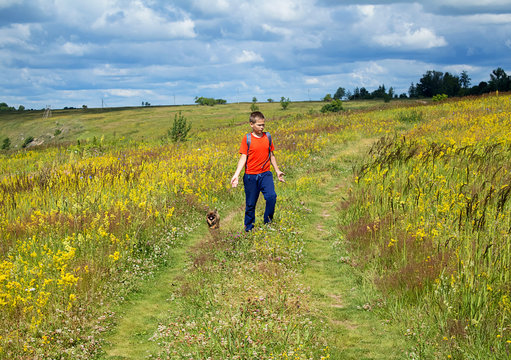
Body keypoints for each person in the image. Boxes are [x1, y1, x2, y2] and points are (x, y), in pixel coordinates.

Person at [230, 111, 285, 231]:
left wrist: (277, 171)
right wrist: (236, 175)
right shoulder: (247, 138)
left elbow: (271, 155)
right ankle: (248, 229)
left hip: (265, 174)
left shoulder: (268, 137)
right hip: (250, 176)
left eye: (263, 125)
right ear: (251, 124)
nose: (262, 127)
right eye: (259, 125)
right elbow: (243, 157)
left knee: (271, 197)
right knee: (250, 204)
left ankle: (268, 222)